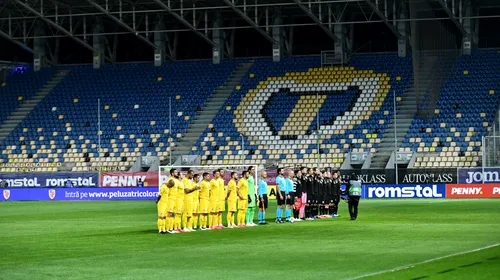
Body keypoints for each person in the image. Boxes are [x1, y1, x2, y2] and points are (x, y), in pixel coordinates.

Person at [165, 169, 179, 234]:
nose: (177, 173)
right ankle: (167, 228)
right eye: (175, 172)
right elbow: (166, 188)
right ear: (172, 173)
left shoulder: (176, 180)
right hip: (170, 198)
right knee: (169, 214)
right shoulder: (169, 180)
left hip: (175, 199)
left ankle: (171, 228)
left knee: (172, 214)